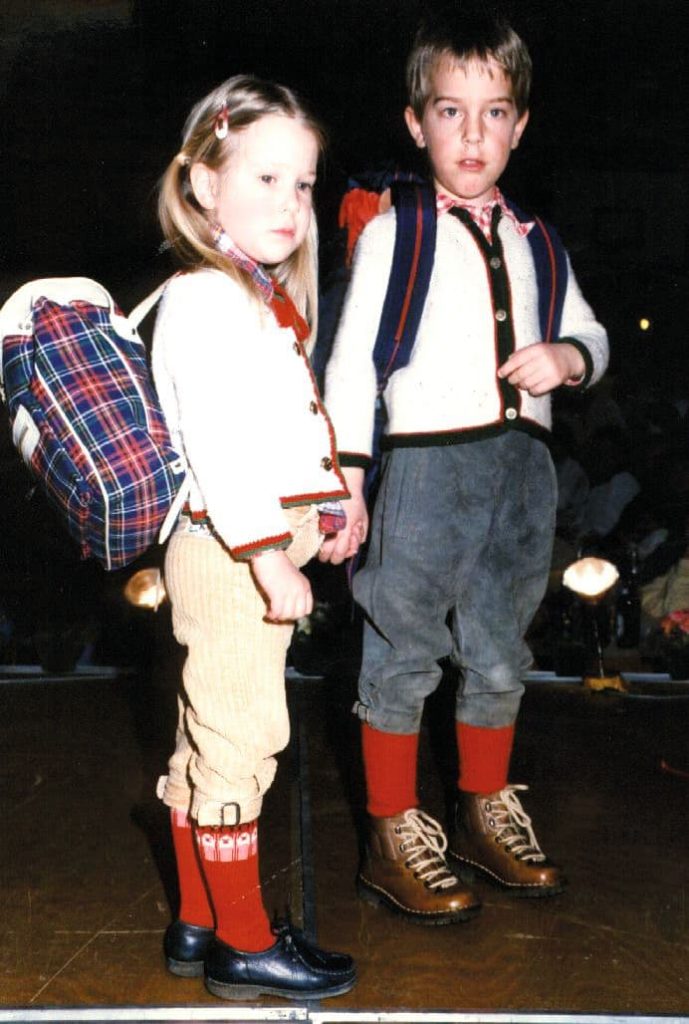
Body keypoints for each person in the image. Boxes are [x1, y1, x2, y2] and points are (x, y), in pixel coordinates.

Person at [322, 8, 609, 924]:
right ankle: (390, 828)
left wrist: (567, 358)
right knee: (402, 647)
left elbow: (592, 332)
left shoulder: (538, 237)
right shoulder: (393, 229)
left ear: (520, 124)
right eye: (451, 111)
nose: (473, 133)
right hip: (423, 468)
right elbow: (350, 358)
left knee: (498, 651)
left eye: (495, 113)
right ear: (417, 123)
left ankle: (484, 809)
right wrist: (349, 478)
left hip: (524, 468)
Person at [152, 74, 356, 1001]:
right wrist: (270, 551)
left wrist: (334, 499)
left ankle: (198, 920)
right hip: (233, 550)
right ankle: (243, 941)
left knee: (207, 742)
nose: (290, 202)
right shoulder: (205, 298)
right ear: (202, 185)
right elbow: (221, 447)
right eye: (265, 179)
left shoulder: (255, 293)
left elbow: (281, 429)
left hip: (245, 544)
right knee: (242, 738)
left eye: (303, 184)